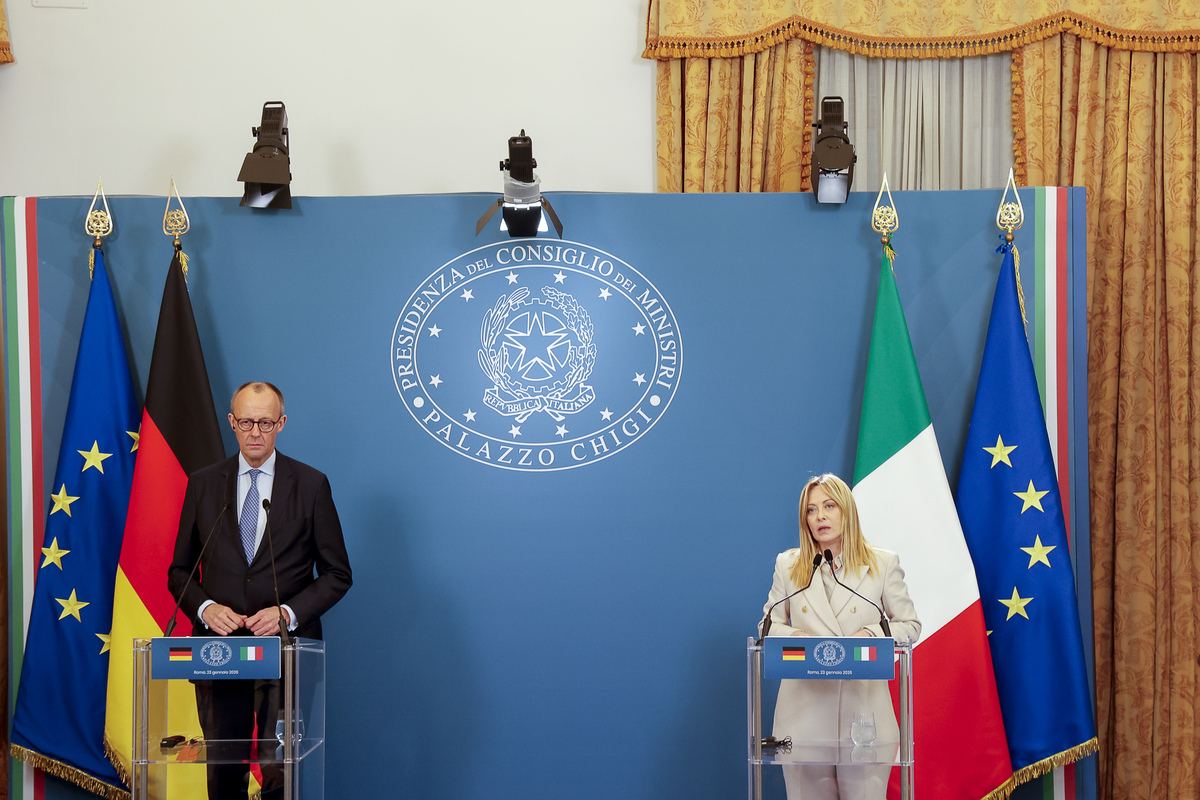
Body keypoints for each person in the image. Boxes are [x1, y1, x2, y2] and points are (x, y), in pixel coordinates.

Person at [168, 381, 353, 800]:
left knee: (278, 771)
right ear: (231, 423)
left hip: (285, 653)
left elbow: (338, 573)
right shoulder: (203, 484)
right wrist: (207, 608)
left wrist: (287, 613)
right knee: (223, 770)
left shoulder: (310, 484)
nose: (256, 431)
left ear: (281, 424)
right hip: (219, 653)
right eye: (247, 421)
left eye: (266, 422)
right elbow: (179, 572)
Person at [760, 474, 920, 800]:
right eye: (811, 510)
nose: (820, 516)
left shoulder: (882, 563)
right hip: (803, 717)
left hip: (864, 717)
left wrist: (872, 633)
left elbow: (909, 624)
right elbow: (767, 626)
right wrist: (796, 635)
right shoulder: (789, 565)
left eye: (829, 506)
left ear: (846, 511)